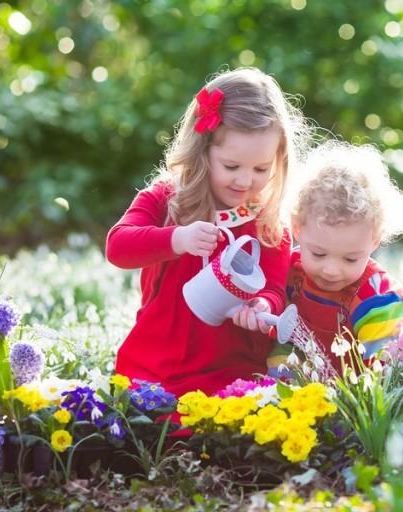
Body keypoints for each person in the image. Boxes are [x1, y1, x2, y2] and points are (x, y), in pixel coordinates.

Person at [106, 67, 311, 399]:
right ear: (202, 151)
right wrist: (177, 238)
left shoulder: (266, 219)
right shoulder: (168, 198)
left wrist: (262, 304)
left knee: (245, 421)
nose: (245, 181)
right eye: (231, 166)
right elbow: (118, 247)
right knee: (151, 416)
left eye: (261, 169)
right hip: (159, 360)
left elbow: (274, 286)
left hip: (234, 366)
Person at [267, 140, 403, 377]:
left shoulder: (377, 296)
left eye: (350, 259)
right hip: (310, 390)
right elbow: (287, 340)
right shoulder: (290, 271)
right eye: (318, 254)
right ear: (297, 227)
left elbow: (385, 368)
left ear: (374, 241)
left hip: (360, 394)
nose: (331, 270)